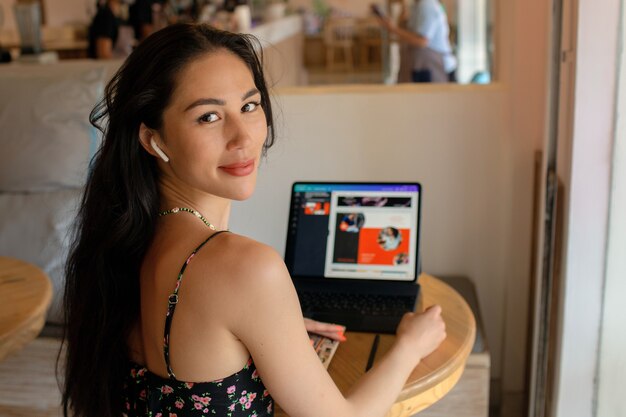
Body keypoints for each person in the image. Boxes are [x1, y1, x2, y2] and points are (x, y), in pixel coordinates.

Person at [62, 23, 446, 417]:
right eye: (208, 117)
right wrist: (410, 345)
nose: (243, 138)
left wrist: (271, 330)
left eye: (249, 106)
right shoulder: (243, 268)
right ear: (153, 139)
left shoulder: (129, 236)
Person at [376, 0, 457, 83]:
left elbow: (422, 41)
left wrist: (393, 29)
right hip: (424, 65)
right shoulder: (416, 5)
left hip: (436, 67)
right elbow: (410, 33)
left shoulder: (427, 5)